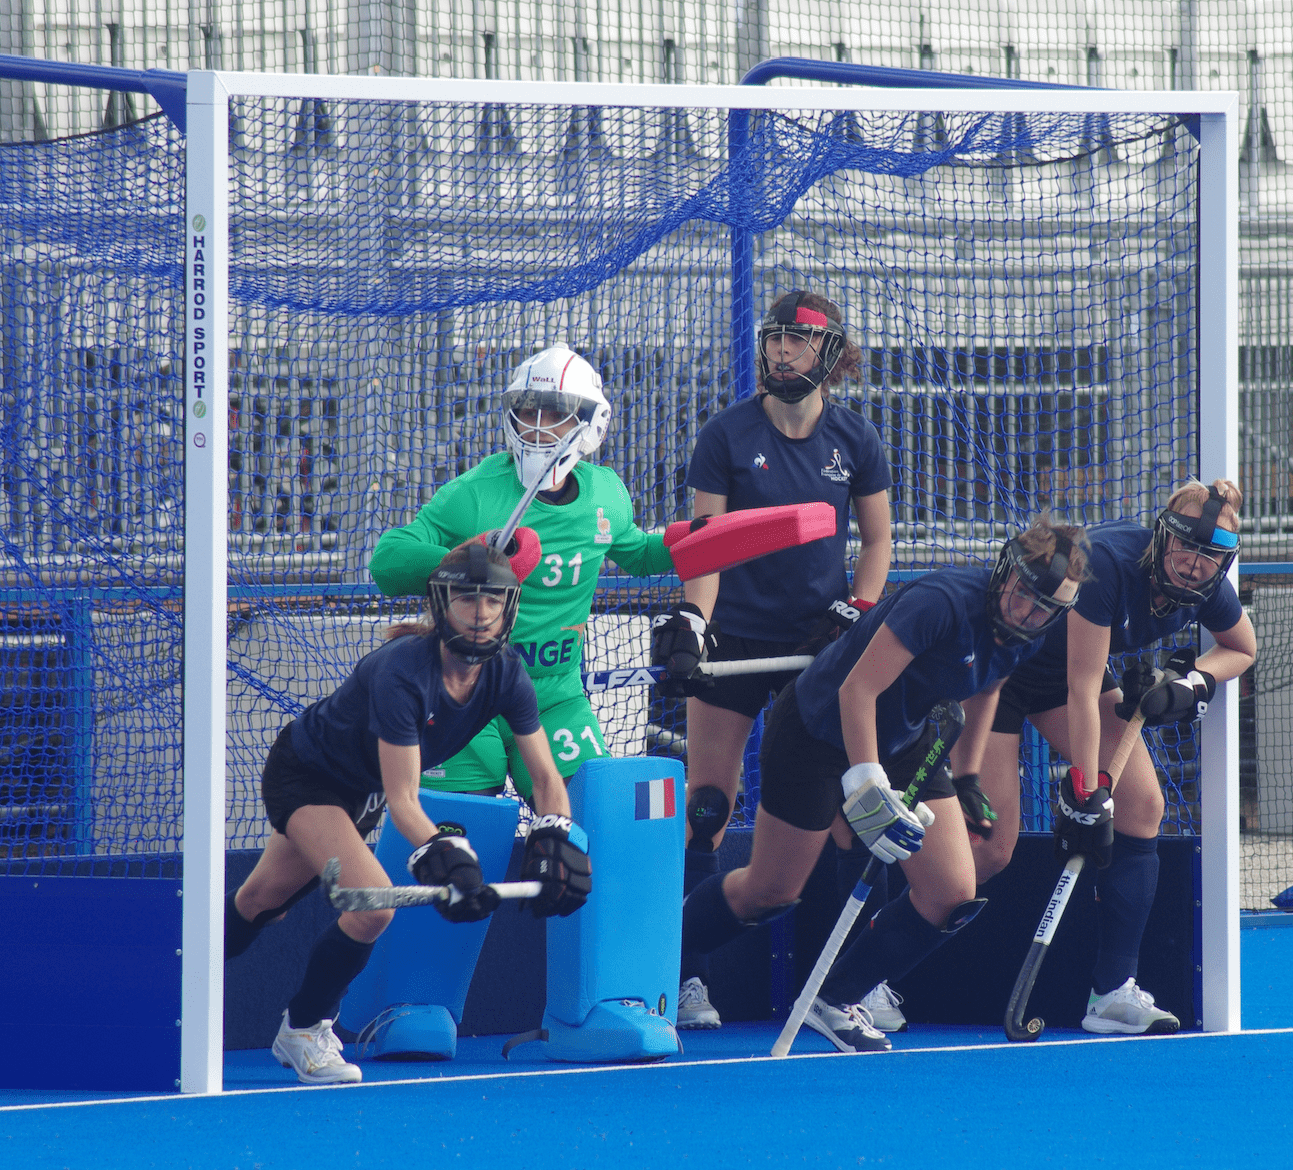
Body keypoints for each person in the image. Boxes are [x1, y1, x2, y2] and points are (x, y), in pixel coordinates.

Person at [678, 518, 1087, 1053]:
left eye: (1044, 609)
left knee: (953, 893)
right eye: (1024, 595)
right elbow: (857, 691)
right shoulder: (942, 601)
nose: (1026, 613)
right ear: (1006, 571)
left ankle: (835, 998)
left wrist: (965, 775)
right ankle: (661, 953)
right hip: (815, 731)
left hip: (906, 740)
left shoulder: (1028, 632)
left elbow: (987, 686)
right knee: (772, 890)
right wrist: (866, 780)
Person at [224, 546, 591, 1084]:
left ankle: (166, 987)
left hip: (361, 791)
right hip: (308, 775)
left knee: (260, 903)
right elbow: (405, 800)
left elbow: (545, 779)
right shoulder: (401, 672)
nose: (481, 611)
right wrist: (450, 855)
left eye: (494, 598)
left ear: (511, 607)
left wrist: (558, 832)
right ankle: (302, 1029)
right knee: (373, 905)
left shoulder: (508, 673)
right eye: (467, 597)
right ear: (441, 604)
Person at [651, 290, 891, 1031]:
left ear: (829, 353)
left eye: (797, 341)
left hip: (816, 646)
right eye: (774, 339)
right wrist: (695, 620)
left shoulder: (854, 439)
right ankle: (686, 979)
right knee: (707, 808)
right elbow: (706, 546)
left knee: (847, 816)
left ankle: (840, 985)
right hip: (736, 640)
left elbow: (877, 540)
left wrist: (854, 609)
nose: (782, 351)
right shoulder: (726, 434)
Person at [953, 479, 1257, 1035]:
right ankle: (871, 968)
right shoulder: (1108, 564)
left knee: (1143, 804)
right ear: (1162, 535)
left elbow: (1241, 647)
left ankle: (1111, 994)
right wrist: (1087, 789)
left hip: (1062, 681)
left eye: (1210, 556)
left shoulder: (1209, 586)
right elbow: (1083, 685)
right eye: (1186, 547)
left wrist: (1193, 684)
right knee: (992, 844)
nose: (1193, 565)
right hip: (1000, 668)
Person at [370, 343, 675, 802]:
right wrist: (469, 561)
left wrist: (706, 539)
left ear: (593, 423)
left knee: (598, 818)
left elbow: (642, 555)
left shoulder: (607, 495)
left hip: (555, 697)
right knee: (458, 837)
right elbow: (387, 562)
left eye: (556, 414)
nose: (538, 427)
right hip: (465, 690)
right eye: (528, 411)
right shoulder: (474, 494)